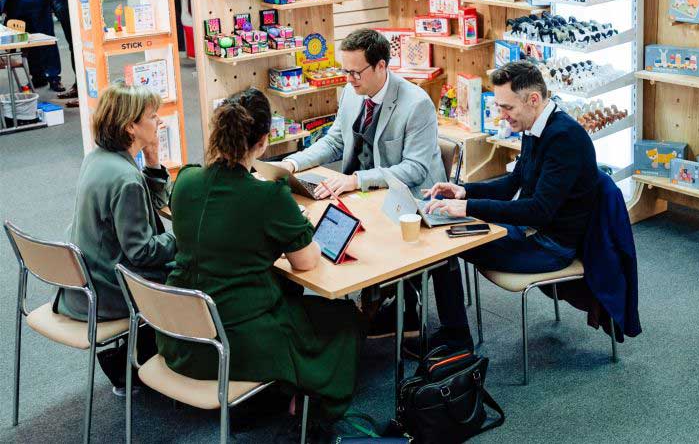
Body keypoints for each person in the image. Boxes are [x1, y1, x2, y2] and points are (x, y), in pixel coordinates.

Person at [158, 88, 364, 433]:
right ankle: (306, 403)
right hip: (234, 341)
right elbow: (307, 263)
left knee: (288, 296)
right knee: (344, 319)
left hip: (177, 332)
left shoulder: (187, 180)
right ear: (265, 141)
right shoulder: (268, 196)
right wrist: (296, 228)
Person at [420, 60, 603, 352]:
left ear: (533, 99)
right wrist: (462, 192)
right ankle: (448, 329)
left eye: (507, 108)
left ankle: (455, 337)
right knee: (443, 225)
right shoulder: (536, 125)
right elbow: (512, 183)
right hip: (530, 232)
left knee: (444, 245)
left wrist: (469, 208)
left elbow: (537, 211)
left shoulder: (564, 139)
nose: (502, 116)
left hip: (549, 247)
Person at [56, 82, 176, 392]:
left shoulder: (98, 158)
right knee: (190, 269)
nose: (159, 121)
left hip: (86, 282)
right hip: (110, 291)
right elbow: (143, 252)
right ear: (130, 127)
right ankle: (155, 366)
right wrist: (187, 240)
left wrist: (152, 160)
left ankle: (132, 360)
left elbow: (151, 204)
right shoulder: (126, 180)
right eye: (152, 116)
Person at [280, 28, 446, 197]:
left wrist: (356, 180)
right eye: (346, 71)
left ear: (381, 66)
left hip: (412, 199)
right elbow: (334, 142)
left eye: (355, 73)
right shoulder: (351, 91)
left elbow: (414, 169)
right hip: (362, 192)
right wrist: (293, 163)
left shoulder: (417, 104)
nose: (349, 79)